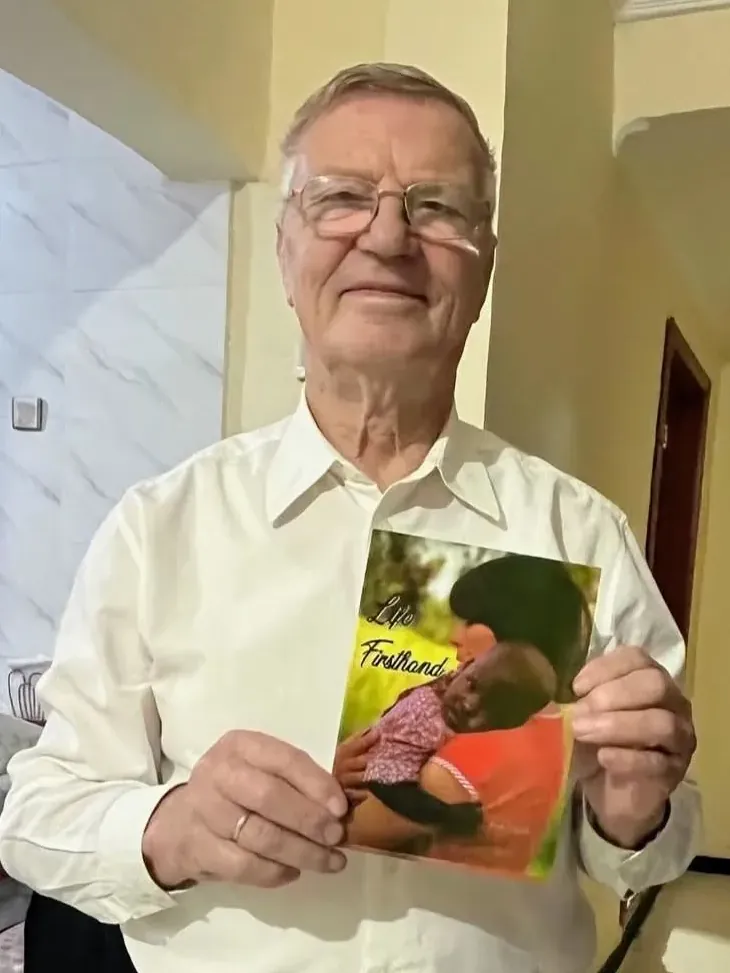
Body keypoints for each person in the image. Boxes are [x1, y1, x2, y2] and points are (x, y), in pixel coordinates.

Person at [0, 62, 699, 973]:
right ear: (285, 248)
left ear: (484, 264)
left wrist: (635, 810)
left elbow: (653, 851)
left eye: (436, 206)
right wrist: (168, 826)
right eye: (341, 198)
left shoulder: (584, 534)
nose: (388, 235)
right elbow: (36, 812)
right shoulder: (159, 526)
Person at [351, 641, 556, 840]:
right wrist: (447, 815)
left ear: (511, 723)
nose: (468, 704)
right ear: (463, 669)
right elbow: (384, 783)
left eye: (491, 705)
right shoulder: (425, 717)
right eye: (472, 684)